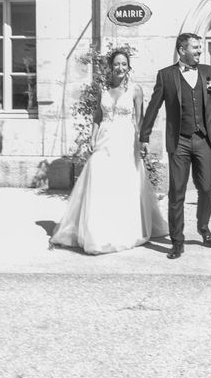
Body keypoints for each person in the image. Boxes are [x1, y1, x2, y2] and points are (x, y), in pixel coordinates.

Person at [50, 48, 168, 254]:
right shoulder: (102, 90)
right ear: (110, 67)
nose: (120, 68)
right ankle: (97, 231)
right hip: (104, 139)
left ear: (128, 67)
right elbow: (97, 115)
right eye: (116, 64)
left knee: (124, 183)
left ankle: (124, 229)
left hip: (126, 141)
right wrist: (92, 136)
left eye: (124, 64)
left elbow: (140, 120)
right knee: (99, 180)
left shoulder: (136, 90)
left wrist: (143, 142)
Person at [139, 34, 211, 259]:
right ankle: (177, 241)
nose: (198, 51)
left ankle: (203, 227)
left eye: (199, 48)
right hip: (180, 141)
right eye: (195, 47)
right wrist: (144, 136)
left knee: (206, 188)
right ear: (181, 50)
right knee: (177, 193)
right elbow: (154, 107)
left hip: (204, 140)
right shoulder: (166, 75)